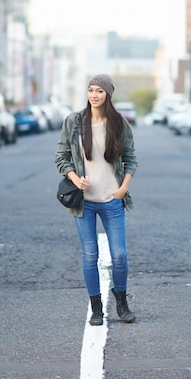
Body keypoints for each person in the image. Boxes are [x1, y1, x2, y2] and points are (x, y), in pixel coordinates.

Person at [55, 74, 138, 326]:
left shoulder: (119, 124)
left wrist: (123, 188)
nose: (94, 95)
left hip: (112, 198)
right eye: (90, 90)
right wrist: (74, 177)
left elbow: (131, 159)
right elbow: (61, 156)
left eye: (99, 91)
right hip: (84, 201)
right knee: (89, 255)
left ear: (108, 94)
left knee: (120, 255)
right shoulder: (74, 122)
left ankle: (121, 302)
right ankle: (96, 308)